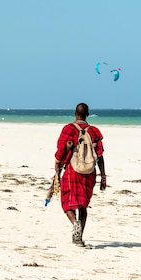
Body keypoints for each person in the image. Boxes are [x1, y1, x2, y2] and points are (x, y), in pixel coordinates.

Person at [54, 102, 106, 246]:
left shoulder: (69, 129)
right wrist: (103, 176)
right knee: (83, 205)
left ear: (75, 113)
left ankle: (74, 223)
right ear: (87, 114)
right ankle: (79, 236)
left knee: (67, 201)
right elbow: (100, 156)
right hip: (89, 172)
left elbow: (61, 149)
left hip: (72, 170)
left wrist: (57, 164)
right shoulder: (94, 132)